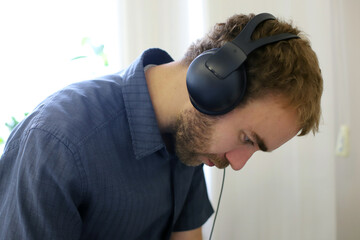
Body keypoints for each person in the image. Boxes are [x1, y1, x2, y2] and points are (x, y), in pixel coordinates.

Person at [0, 13, 322, 239]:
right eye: (247, 139)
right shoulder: (57, 141)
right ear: (213, 86)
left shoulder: (191, 139)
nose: (237, 163)